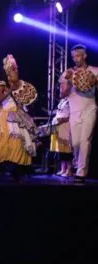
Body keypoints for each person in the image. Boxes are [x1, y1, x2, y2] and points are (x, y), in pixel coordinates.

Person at [60, 44, 98, 181]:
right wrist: (69, 81)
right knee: (75, 142)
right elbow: (62, 94)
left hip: (89, 108)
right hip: (74, 110)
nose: (75, 59)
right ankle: (77, 164)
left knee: (85, 140)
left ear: (84, 55)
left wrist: (93, 81)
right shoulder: (68, 73)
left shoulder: (94, 70)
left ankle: (81, 172)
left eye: (78, 56)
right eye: (73, 56)